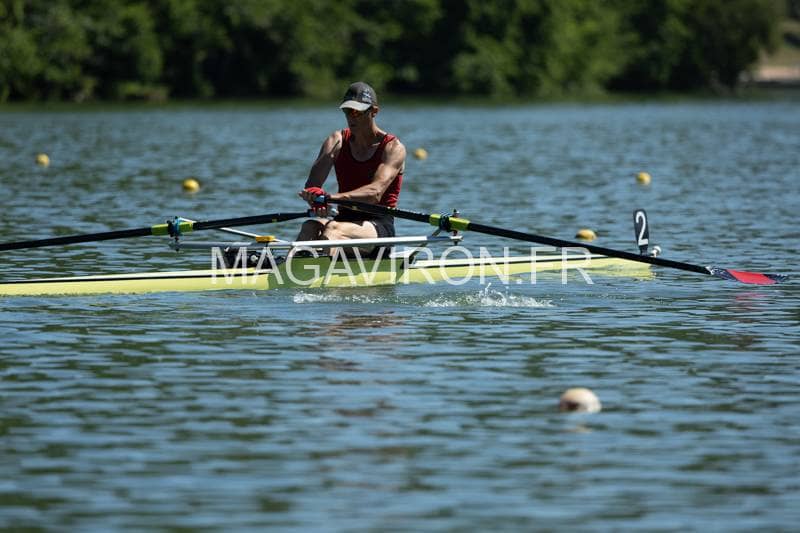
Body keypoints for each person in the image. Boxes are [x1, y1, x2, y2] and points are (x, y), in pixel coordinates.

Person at [297, 81, 406, 256]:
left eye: (357, 112)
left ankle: (320, 270)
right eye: (347, 111)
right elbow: (312, 185)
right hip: (343, 219)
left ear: (374, 111)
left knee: (333, 230)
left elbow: (374, 193)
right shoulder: (336, 140)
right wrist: (315, 198)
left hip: (378, 226)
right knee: (309, 226)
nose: (351, 117)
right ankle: (288, 268)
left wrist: (331, 198)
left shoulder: (393, 148)